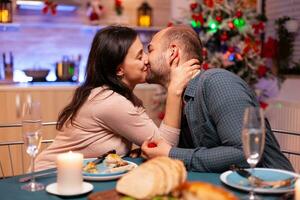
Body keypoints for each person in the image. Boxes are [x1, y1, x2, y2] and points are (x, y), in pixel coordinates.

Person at [35, 26, 200, 171]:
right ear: (120, 70)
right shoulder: (110, 102)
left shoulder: (121, 97)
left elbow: (156, 144)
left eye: (145, 51)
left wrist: (135, 150)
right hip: (51, 175)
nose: (147, 59)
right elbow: (165, 149)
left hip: (81, 175)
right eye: (139, 56)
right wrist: (174, 90)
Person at [141, 25, 294, 172]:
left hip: (269, 187)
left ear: (172, 52)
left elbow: (244, 153)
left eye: (150, 50)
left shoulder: (217, 82)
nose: (145, 59)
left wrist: (171, 154)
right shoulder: (178, 95)